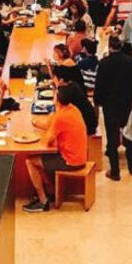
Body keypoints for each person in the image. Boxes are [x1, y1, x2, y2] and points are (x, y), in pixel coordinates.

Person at [23, 84, 89, 212]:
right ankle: (50, 190)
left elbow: (48, 140)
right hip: (79, 156)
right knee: (39, 161)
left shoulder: (61, 117)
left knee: (30, 161)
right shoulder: (73, 109)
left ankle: (43, 201)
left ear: (57, 99)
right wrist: (36, 123)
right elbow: (50, 125)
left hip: (70, 161)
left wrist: (43, 133)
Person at [94, 34, 132, 180]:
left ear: (109, 46)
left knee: (112, 138)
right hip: (126, 103)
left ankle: (115, 171)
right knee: (129, 135)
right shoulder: (130, 62)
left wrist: (97, 101)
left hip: (110, 105)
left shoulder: (104, 63)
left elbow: (99, 85)